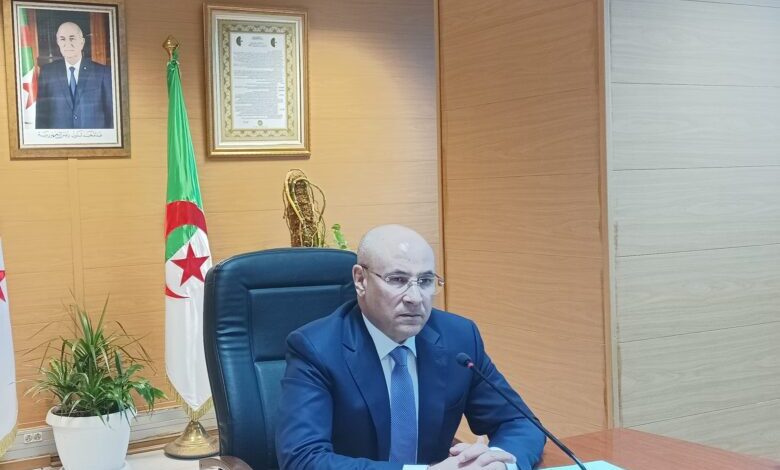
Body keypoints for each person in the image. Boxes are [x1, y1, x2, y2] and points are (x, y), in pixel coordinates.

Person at [276, 225, 546, 470]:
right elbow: (303, 459)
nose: (415, 298)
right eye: (397, 279)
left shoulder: (459, 338)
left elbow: (520, 423)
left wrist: (498, 463)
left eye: (426, 281)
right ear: (360, 280)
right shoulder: (316, 348)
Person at [35, 21, 113, 129]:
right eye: (62, 39)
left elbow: (112, 116)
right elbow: (41, 116)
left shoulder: (103, 73)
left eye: (72, 38)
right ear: (58, 42)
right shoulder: (47, 73)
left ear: (82, 42)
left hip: (92, 138)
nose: (67, 44)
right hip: (59, 138)